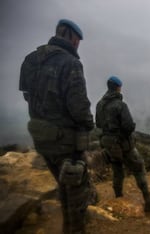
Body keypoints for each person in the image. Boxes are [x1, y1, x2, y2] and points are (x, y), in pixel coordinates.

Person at [19, 19, 94, 233]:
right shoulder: (70, 63)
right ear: (70, 36)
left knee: (63, 185)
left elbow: (27, 95)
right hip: (65, 141)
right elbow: (78, 106)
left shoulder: (31, 59)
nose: (78, 43)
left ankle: (68, 225)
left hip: (41, 137)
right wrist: (88, 125)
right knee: (78, 192)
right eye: (77, 39)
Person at [95, 76, 150, 212]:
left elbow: (98, 124)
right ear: (118, 87)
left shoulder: (99, 104)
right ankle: (149, 200)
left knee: (117, 171)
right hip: (123, 143)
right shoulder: (120, 105)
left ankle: (119, 198)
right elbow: (128, 125)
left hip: (108, 144)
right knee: (138, 167)